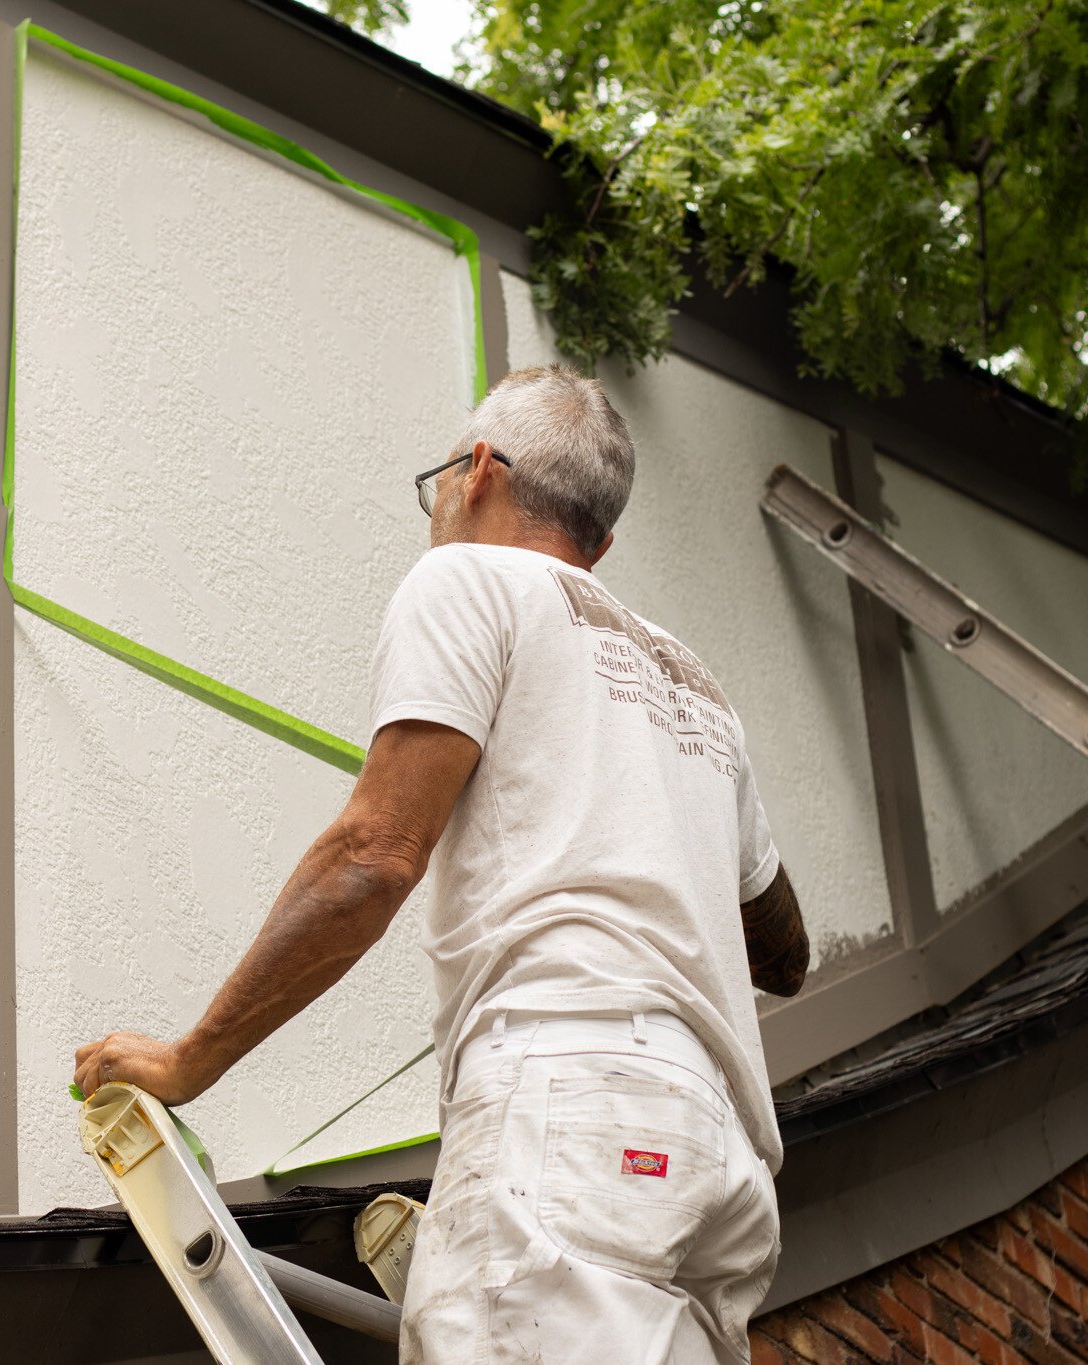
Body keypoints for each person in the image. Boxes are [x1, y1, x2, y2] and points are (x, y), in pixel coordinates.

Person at [72, 364, 810, 1363]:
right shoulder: (689, 681)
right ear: (600, 539)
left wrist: (185, 1060)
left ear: (474, 472)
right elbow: (782, 951)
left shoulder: (465, 578)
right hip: (717, 1167)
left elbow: (370, 860)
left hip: (571, 1118)